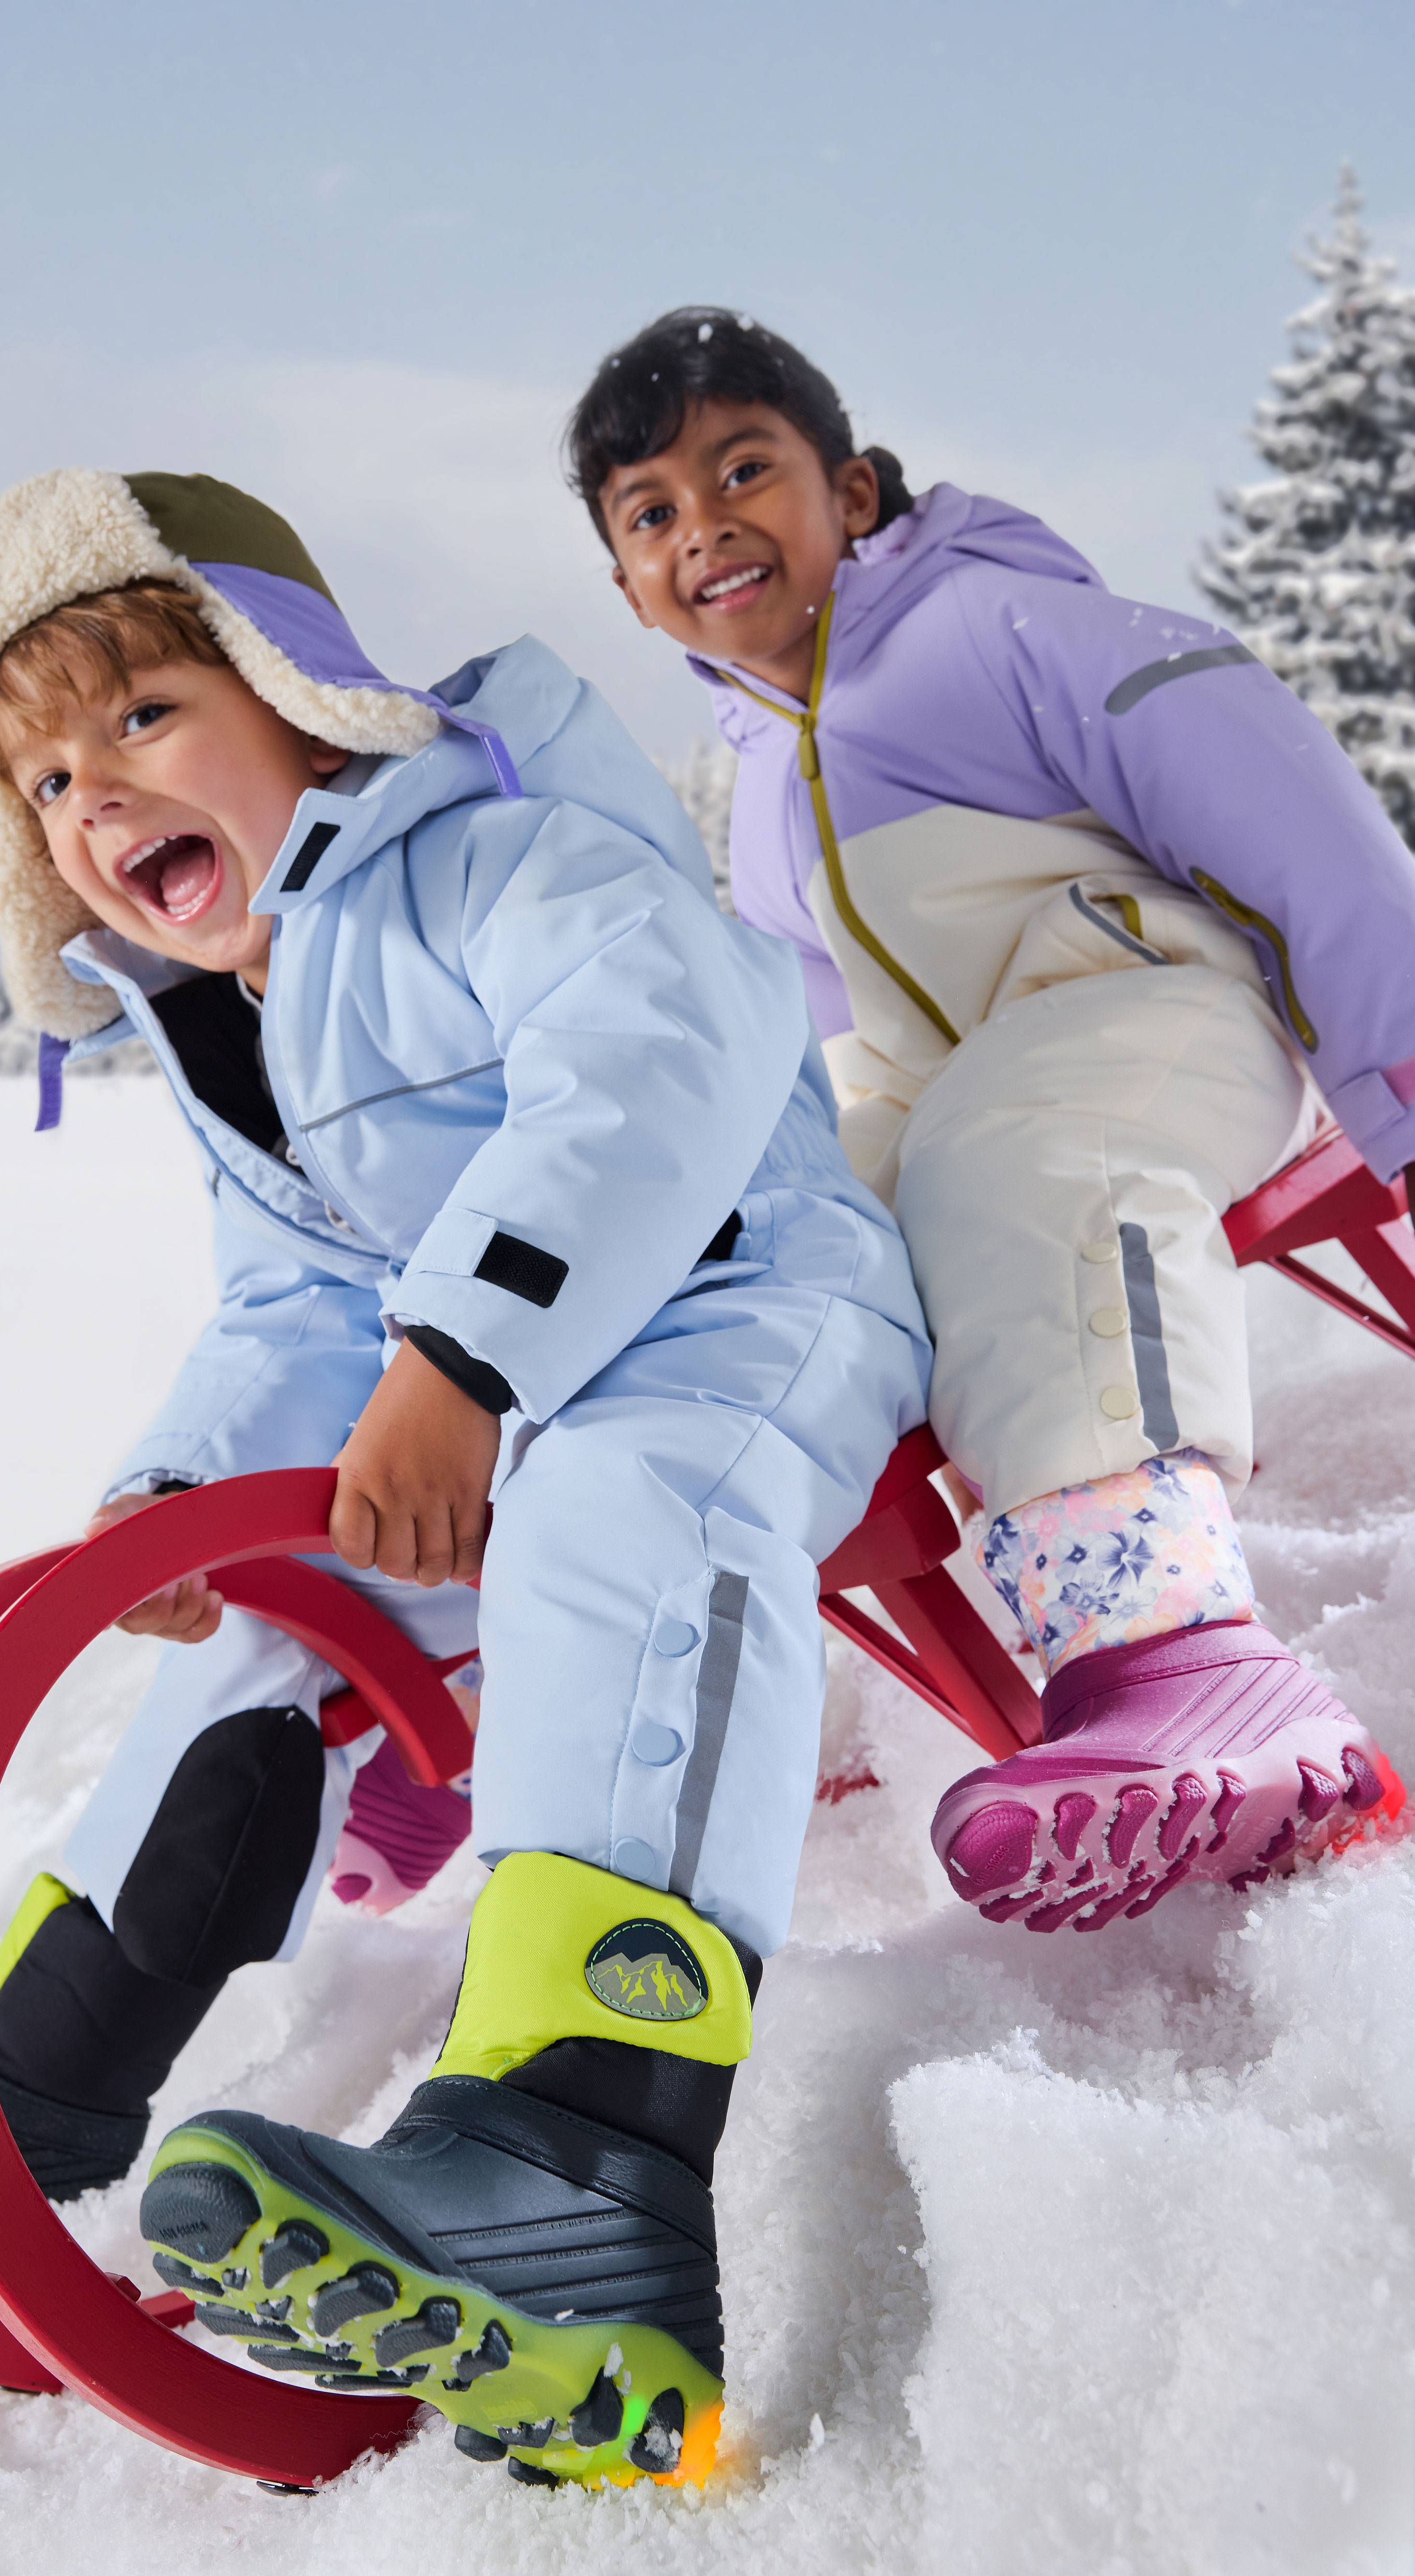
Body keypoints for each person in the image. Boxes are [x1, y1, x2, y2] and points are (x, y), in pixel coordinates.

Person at [0, 466, 923, 2487]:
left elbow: (669, 1046)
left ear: (299, 693)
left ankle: (584, 2147)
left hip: (741, 1303)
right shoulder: (238, 1014)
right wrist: (186, 1482)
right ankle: (40, 2076)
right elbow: (292, 1304)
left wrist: (463, 1354)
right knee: (271, 1624)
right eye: (43, 781)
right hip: (494, 1388)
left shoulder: (490, 861)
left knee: (616, 1513)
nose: (96, 799)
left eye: (141, 717)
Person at [566, 308, 1405, 1937]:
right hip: (945, 1074)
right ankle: (684, 1682)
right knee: (755, 1255)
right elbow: (819, 1035)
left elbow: (1288, 810)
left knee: (1025, 1163)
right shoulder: (760, 778)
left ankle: (1183, 1660)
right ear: (625, 587)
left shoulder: (1001, 629)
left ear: (854, 492)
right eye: (652, 513)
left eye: (746, 471)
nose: (705, 527)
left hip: (1161, 1006)